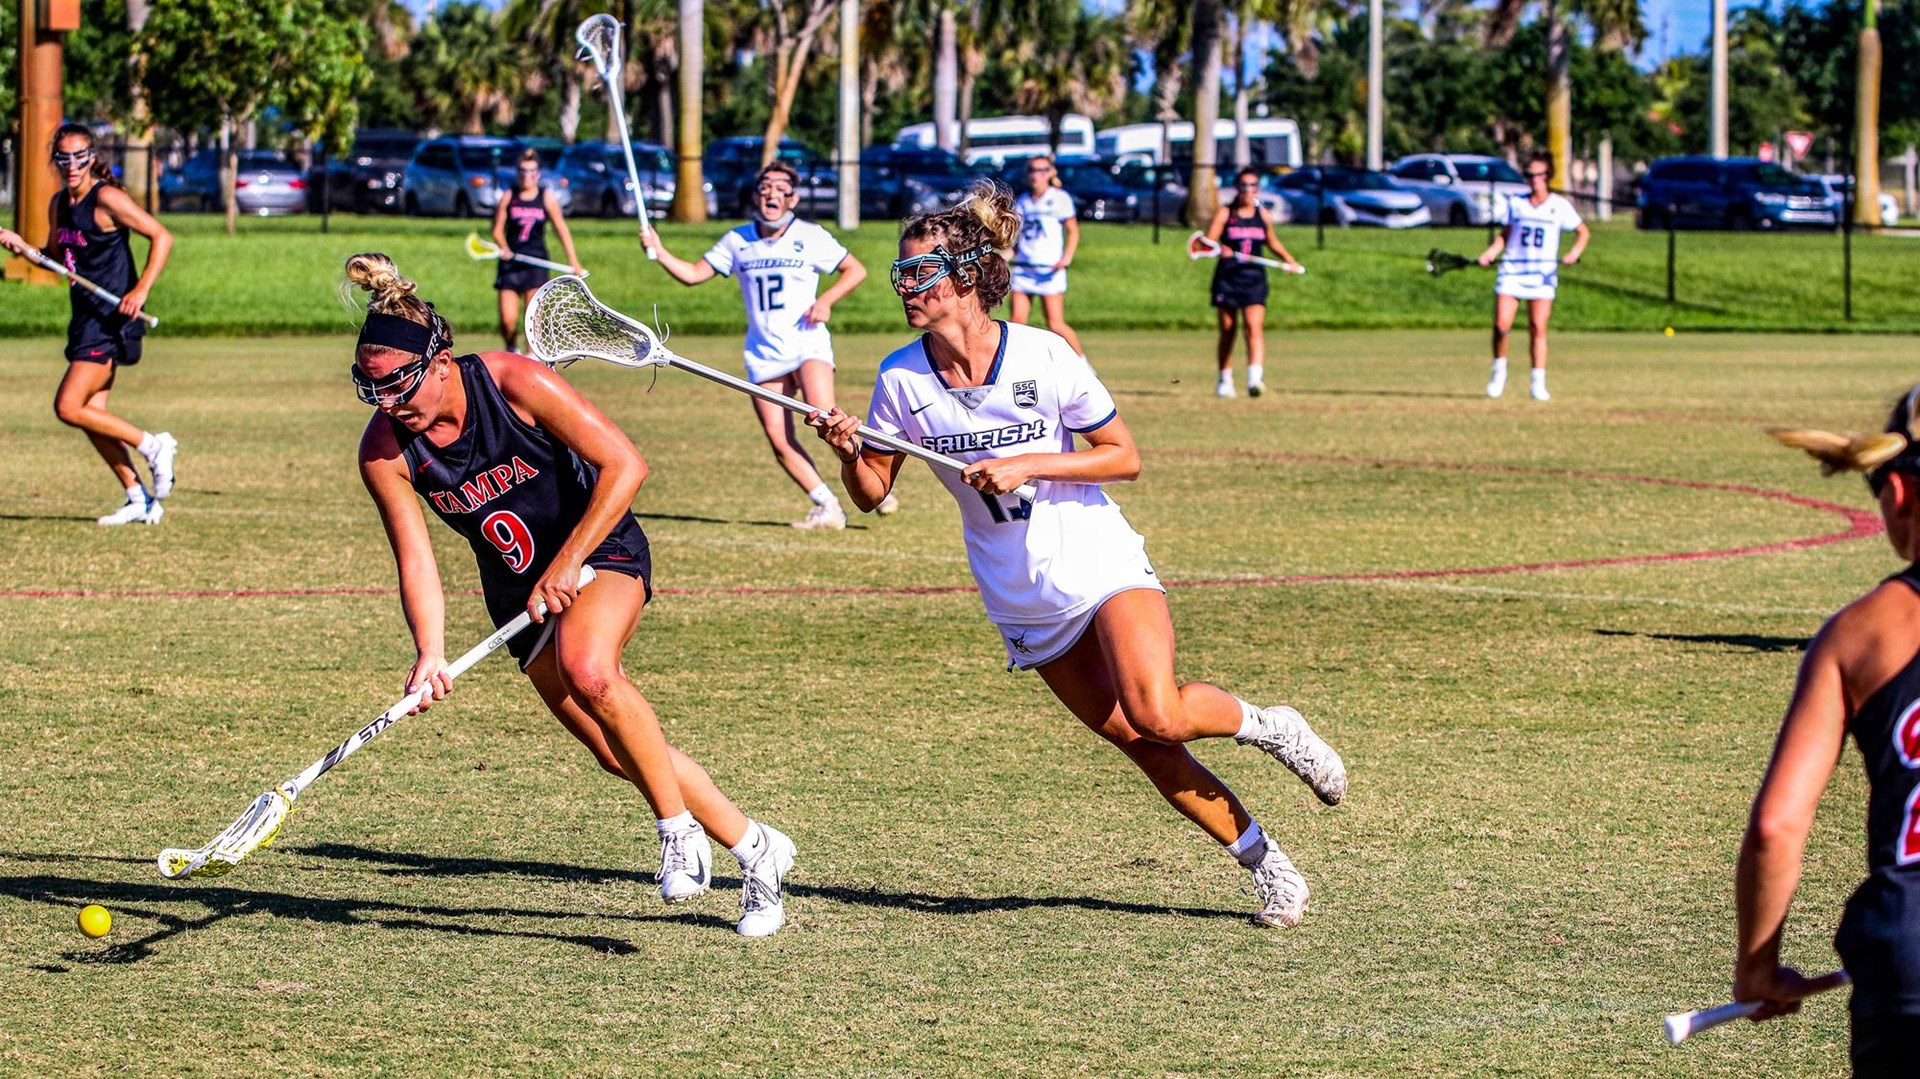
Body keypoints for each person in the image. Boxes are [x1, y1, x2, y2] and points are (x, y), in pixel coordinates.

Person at [805, 182, 1347, 928]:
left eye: (919, 274)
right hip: (1022, 599)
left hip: (1099, 563)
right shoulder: (902, 379)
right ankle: (1269, 867)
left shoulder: (1043, 355)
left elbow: (1122, 456)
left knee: (1158, 711)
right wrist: (846, 452)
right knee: (1142, 745)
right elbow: (870, 491)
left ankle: (1269, 724)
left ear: (965, 275)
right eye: (901, 275)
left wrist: (1031, 462)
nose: (905, 287)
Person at [345, 252, 795, 937]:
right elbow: (417, 558)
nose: (388, 402)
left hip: (599, 548)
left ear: (440, 362)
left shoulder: (512, 381)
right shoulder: (384, 450)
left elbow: (626, 464)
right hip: (519, 596)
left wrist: (569, 559)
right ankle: (757, 847)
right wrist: (429, 651)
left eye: (399, 383)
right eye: (371, 387)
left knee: (592, 669)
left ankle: (678, 832)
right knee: (617, 750)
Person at [1733, 396, 1920, 1075]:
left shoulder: (1861, 632)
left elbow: (1777, 825)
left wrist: (1757, 964)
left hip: (1908, 959)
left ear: (1896, 491)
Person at [642, 162, 888, 529]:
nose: (771, 194)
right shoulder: (737, 240)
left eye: (780, 188)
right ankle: (827, 506)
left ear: (794, 197)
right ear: (756, 195)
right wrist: (659, 250)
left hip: (807, 341)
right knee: (779, 440)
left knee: (825, 416)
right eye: (765, 188)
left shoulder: (811, 235)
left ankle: (873, 482)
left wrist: (827, 301)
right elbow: (694, 275)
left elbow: (855, 270)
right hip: (763, 350)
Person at [0, 122, 178, 526]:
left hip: (112, 319)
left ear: (92, 157)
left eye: (79, 156)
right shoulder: (59, 204)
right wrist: (22, 248)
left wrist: (141, 290)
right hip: (84, 317)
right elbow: (54, 256)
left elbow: (161, 236)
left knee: (67, 406)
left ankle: (154, 445)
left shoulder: (107, 198)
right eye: (63, 158)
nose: (72, 165)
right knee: (92, 414)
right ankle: (139, 498)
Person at [1475, 152, 1589, 402]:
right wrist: (1491, 253)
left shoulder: (1558, 206)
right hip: (1513, 272)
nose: (1534, 179)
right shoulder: (1516, 203)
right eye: (1530, 174)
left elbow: (1582, 232)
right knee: (1501, 326)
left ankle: (1538, 382)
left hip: (1541, 275)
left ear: (1547, 176)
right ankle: (1499, 373)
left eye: (1539, 174)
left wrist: (1573, 253)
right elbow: (1506, 235)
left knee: (1538, 328)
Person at [1204, 167, 1301, 399]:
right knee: (1228, 331)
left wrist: (1289, 261)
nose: (1248, 190)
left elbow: (1272, 242)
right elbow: (1207, 243)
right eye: (1243, 185)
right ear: (1237, 188)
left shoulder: (1262, 215)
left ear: (1257, 189)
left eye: (1252, 185)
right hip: (1228, 278)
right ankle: (1224, 380)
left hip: (1254, 279)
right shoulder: (1225, 214)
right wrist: (1220, 250)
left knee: (1252, 327)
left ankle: (1254, 380)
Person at [491, 148, 584, 351]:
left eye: (531, 171)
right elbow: (497, 230)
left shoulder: (546, 197)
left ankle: (531, 357)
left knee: (532, 320)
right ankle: (511, 348)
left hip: (536, 263)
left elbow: (562, 230)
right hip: (511, 264)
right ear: (518, 172)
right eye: (523, 171)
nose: (527, 175)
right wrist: (504, 248)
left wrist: (573, 261)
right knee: (507, 321)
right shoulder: (509, 196)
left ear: (538, 173)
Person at [1008, 155, 1088, 365]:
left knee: (1055, 324)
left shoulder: (1059, 198)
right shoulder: (1022, 202)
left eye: (1042, 170)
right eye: (1032, 170)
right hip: (1025, 268)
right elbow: (1019, 239)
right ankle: (1014, 367)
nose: (1036, 175)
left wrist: (1066, 258)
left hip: (1049, 270)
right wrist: (1006, 255)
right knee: (1016, 323)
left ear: (1051, 173)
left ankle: (1083, 366)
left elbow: (1073, 232)